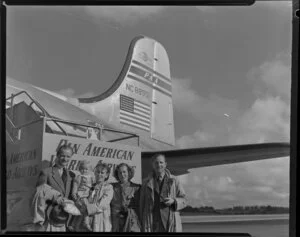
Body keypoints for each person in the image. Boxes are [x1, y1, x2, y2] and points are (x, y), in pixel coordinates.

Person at [32, 145, 76, 231]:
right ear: (58, 155)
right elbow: (39, 195)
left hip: (64, 217)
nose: (65, 159)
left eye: (68, 156)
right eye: (63, 155)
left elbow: (71, 196)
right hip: (49, 217)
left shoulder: (71, 175)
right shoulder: (46, 172)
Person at [139, 154, 187, 232]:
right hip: (151, 223)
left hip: (170, 222)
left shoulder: (175, 180)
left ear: (165, 164)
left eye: (161, 162)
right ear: (153, 165)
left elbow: (184, 200)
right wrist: (141, 222)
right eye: (156, 163)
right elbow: (142, 204)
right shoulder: (145, 182)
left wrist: (174, 201)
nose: (159, 165)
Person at [78, 163, 113, 232]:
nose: (99, 174)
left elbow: (102, 205)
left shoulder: (108, 187)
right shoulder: (90, 186)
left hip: (100, 219)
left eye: (102, 173)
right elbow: (83, 199)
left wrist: (87, 209)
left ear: (106, 175)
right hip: (87, 219)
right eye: (97, 172)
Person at [110, 163, 141, 232]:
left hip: (131, 221)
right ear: (117, 174)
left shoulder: (136, 188)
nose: (122, 174)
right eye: (119, 172)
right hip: (115, 221)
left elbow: (139, 206)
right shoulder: (111, 187)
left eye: (124, 172)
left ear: (129, 173)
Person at [70, 160, 95, 231]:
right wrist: (75, 197)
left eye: (86, 169)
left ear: (90, 170)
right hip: (81, 196)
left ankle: (74, 225)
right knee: (85, 208)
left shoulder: (91, 178)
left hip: (88, 196)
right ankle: (86, 223)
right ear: (79, 169)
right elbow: (74, 189)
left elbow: (93, 187)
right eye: (82, 169)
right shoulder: (78, 177)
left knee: (82, 212)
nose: (84, 170)